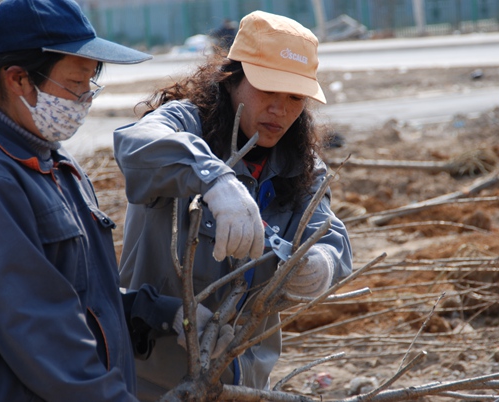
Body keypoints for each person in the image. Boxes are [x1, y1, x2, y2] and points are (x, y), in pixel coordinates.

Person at [0, 0, 223, 400]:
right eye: (75, 84)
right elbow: (41, 332)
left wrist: (157, 312)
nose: (85, 99)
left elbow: (82, 293)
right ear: (18, 80)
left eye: (90, 84)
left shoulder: (57, 166)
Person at [114, 10, 353, 401]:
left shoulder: (300, 167)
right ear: (233, 78)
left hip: (243, 386)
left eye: (294, 97)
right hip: (152, 380)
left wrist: (322, 263)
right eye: (268, 90)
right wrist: (214, 179)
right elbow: (135, 144)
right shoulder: (185, 124)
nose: (280, 109)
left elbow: (327, 233)